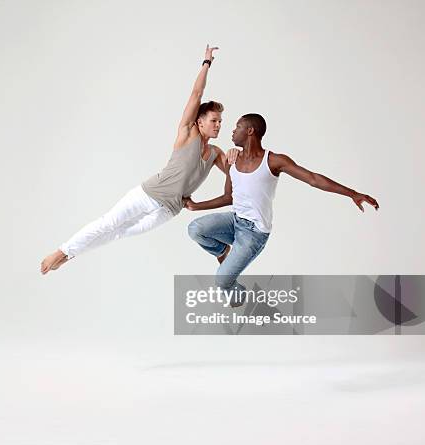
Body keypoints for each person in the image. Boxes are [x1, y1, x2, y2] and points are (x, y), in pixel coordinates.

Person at [41, 45, 236, 274]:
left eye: (221, 121)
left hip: (169, 210)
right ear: (200, 121)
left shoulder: (215, 154)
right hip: (148, 194)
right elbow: (196, 94)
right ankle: (63, 252)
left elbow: (235, 182)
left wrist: (233, 161)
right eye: (214, 120)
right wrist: (206, 63)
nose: (219, 125)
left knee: (119, 232)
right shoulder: (187, 132)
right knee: (109, 223)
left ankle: (71, 253)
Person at [185, 113, 379, 299]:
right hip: (234, 221)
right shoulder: (233, 161)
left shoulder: (274, 161)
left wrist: (352, 193)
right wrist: (195, 206)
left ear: (250, 131)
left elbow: (313, 179)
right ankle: (224, 252)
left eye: (238, 127)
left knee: (221, 280)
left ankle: (240, 296)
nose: (233, 131)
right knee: (195, 229)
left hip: (254, 233)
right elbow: (229, 197)